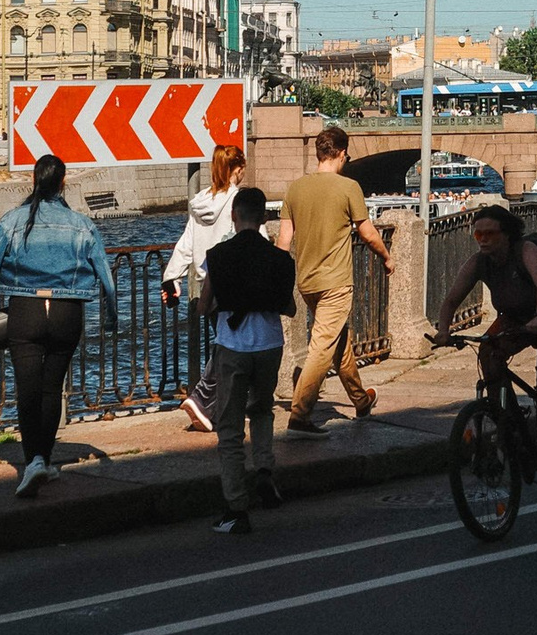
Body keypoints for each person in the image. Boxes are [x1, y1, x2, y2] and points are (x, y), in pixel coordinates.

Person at [0, 155, 118, 499]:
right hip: (67, 313)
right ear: (63, 183)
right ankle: (43, 461)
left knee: (28, 390)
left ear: (34, 181)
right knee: (52, 389)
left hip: (26, 311)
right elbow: (105, 274)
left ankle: (32, 462)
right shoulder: (82, 224)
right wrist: (110, 315)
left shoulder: (13, 221)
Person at [430, 202, 537, 450]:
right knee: (489, 353)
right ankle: (506, 421)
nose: (483, 240)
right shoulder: (478, 262)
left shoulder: (526, 250)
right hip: (514, 319)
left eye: (490, 234)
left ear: (507, 234)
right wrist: (443, 330)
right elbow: (451, 300)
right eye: (478, 234)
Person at [277, 124, 391, 435]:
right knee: (321, 348)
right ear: (340, 154)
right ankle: (299, 417)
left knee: (340, 343)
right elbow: (367, 233)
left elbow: (283, 241)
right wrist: (386, 256)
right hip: (336, 283)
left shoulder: (295, 189)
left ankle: (360, 400)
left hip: (307, 282)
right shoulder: (348, 187)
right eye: (347, 156)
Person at [199, 186, 293, 534]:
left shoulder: (218, 255)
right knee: (263, 410)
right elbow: (289, 306)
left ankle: (236, 508)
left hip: (233, 347)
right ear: (265, 218)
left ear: (234, 216)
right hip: (270, 346)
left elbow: (203, 304)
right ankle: (265, 471)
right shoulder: (280, 259)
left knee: (229, 429)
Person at [163, 144, 247, 432]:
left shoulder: (200, 202)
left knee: (226, 343)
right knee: (230, 347)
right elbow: (250, 236)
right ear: (237, 169)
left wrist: (170, 278)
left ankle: (216, 408)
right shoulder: (239, 202)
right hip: (234, 284)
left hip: (206, 285)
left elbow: (186, 244)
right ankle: (201, 399)